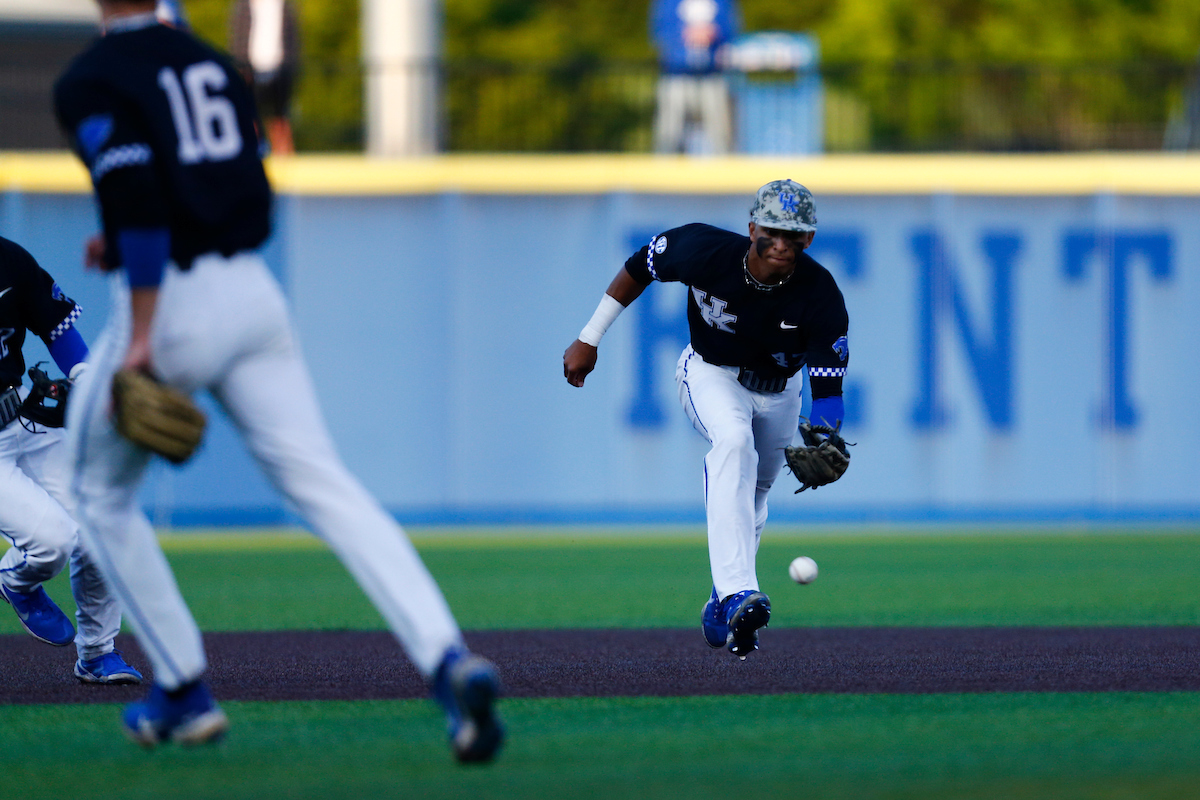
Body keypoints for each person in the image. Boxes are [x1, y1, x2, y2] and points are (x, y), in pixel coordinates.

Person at [53, 0, 502, 762]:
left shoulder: (91, 77)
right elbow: (234, 186)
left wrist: (145, 334)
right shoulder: (211, 64)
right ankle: (447, 659)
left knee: (94, 491)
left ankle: (185, 688)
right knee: (325, 485)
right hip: (254, 296)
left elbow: (137, 196)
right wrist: (125, 239)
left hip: (170, 305)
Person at [563, 179, 851, 659]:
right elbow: (639, 267)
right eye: (772, 231)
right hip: (711, 373)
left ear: (810, 239)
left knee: (756, 492)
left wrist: (825, 433)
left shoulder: (819, 291)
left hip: (781, 390)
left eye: (794, 234)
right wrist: (589, 337)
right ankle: (739, 590)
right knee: (734, 443)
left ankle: (723, 606)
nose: (781, 243)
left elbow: (829, 387)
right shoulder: (702, 248)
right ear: (752, 227)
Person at [0, 235, 143, 685]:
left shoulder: (9, 258)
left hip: (22, 416)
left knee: (101, 520)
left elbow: (57, 326)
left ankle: (98, 654)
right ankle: (15, 580)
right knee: (54, 542)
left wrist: (86, 382)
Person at [650, 0, 740, 154]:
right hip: (676, 74)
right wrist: (683, 35)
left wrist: (713, 34)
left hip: (713, 74)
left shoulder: (723, 3)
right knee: (670, 134)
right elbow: (660, 30)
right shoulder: (667, 3)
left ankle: (725, 175)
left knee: (721, 134)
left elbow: (731, 30)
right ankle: (663, 174)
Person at [229, 0, 300, 155]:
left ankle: (284, 155)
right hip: (251, 68)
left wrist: (291, 64)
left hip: (280, 68)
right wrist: (241, 64)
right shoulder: (244, 5)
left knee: (280, 116)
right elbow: (238, 34)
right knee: (250, 114)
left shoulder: (284, 5)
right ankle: (252, 152)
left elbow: (292, 37)